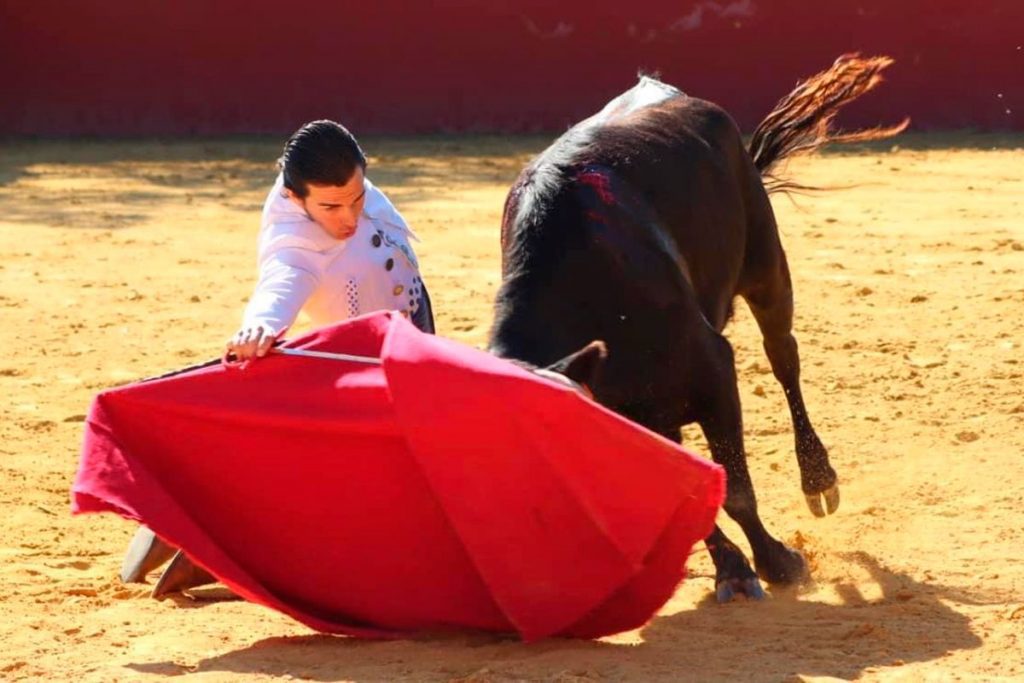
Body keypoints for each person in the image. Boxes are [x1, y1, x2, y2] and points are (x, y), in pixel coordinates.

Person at [121, 120, 434, 596]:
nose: (348, 217)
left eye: (357, 197)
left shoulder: (337, 182)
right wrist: (262, 326)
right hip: (370, 367)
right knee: (371, 488)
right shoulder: (297, 240)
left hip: (406, 342)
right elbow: (282, 280)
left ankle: (191, 524)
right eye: (330, 206)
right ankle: (212, 543)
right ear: (295, 198)